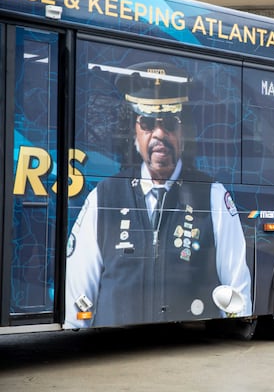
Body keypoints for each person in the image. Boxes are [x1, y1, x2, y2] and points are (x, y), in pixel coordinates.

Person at [65, 62, 252, 328]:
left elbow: (237, 291)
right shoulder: (104, 196)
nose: (159, 134)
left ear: (183, 132)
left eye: (170, 124)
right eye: (148, 123)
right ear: (134, 132)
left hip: (190, 348)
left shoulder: (211, 196)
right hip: (113, 353)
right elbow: (78, 294)